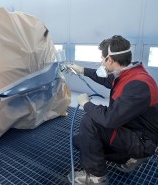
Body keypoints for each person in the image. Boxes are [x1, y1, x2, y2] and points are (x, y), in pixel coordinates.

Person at [67, 35, 158, 185]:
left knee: (90, 121)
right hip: (132, 130)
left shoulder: (138, 85)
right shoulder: (129, 73)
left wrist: (86, 104)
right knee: (80, 141)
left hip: (143, 140)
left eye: (102, 58)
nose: (101, 62)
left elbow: (109, 120)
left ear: (110, 59)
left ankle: (96, 177)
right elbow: (107, 80)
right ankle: (128, 157)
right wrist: (81, 70)